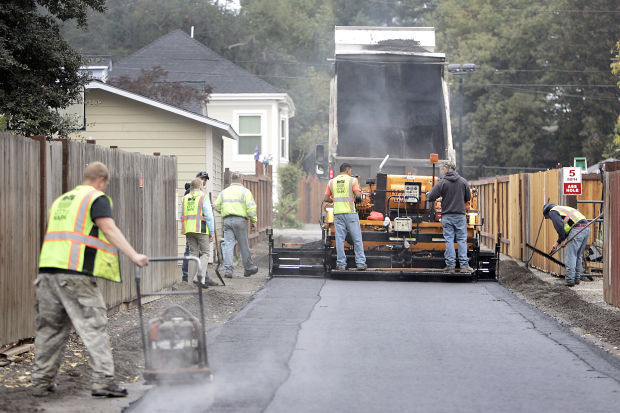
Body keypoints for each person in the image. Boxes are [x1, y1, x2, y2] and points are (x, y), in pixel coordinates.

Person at [33, 162, 149, 398]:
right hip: (75, 275)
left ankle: (41, 382)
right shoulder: (96, 198)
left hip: (47, 273)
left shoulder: (62, 201)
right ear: (102, 180)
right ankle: (104, 381)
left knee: (50, 330)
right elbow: (108, 228)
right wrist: (134, 255)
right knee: (94, 326)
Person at [426, 160, 472, 273]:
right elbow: (468, 197)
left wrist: (439, 198)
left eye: (443, 169)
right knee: (462, 240)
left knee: (449, 240)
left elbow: (431, 197)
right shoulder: (463, 181)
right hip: (460, 215)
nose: (442, 171)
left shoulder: (443, 182)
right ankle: (464, 266)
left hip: (447, 215)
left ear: (447, 169)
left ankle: (450, 266)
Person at [214, 172, 259, 278]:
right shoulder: (245, 192)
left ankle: (228, 270)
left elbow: (216, 206)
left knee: (228, 245)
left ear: (231, 180)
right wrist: (254, 221)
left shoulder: (224, 192)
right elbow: (251, 208)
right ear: (241, 180)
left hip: (227, 221)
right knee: (243, 245)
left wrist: (225, 213)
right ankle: (248, 268)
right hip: (240, 221)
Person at [323, 163, 366, 271]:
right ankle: (360, 263)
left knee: (340, 240)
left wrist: (335, 199)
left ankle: (341, 264)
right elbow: (358, 195)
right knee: (357, 239)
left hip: (338, 214)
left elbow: (326, 198)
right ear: (347, 170)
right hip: (351, 213)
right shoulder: (352, 180)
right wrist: (358, 200)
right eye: (350, 171)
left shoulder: (331, 182)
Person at [181, 177, 218, 287]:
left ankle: (190, 282)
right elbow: (208, 216)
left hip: (188, 229)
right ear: (200, 186)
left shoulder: (186, 197)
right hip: (201, 229)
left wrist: (184, 230)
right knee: (205, 253)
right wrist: (211, 232)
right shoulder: (203, 197)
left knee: (193, 254)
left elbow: (182, 215)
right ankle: (200, 278)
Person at [543, 203, 590, 287]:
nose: (550, 219)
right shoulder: (563, 209)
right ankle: (576, 279)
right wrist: (557, 243)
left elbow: (560, 227)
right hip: (585, 228)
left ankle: (570, 280)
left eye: (549, 218)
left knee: (571, 255)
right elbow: (567, 229)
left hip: (577, 229)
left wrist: (563, 240)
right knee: (578, 255)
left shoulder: (553, 211)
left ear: (547, 212)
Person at [182, 171, 210, 281]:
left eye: (206, 179)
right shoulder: (190, 193)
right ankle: (189, 276)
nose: (204, 181)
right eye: (202, 179)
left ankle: (197, 277)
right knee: (195, 252)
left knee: (195, 253)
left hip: (191, 227)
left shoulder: (201, 194)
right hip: (195, 227)